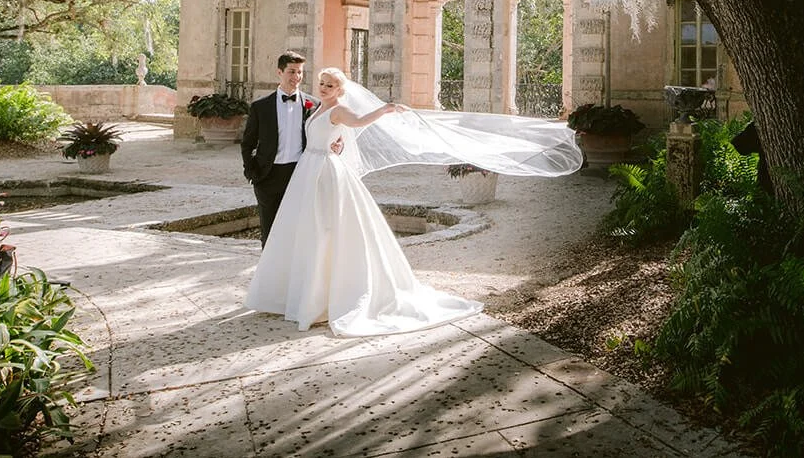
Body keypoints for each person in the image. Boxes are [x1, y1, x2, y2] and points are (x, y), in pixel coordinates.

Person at [245, 66, 582, 336]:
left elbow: (359, 124)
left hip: (326, 174)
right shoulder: (316, 107)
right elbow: (320, 136)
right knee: (304, 232)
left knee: (328, 231)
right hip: (309, 171)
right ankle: (296, 294)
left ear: (341, 89)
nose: (323, 88)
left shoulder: (342, 110)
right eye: (321, 83)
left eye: (330, 85)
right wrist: (336, 143)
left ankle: (322, 298)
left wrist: (385, 109)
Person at [241, 51, 340, 245]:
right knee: (270, 232)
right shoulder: (260, 107)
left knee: (298, 231)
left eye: (300, 72)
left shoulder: (314, 105)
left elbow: (329, 133)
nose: (297, 77)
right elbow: (248, 143)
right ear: (279, 72)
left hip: (300, 174)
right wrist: (251, 172)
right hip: (268, 177)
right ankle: (269, 266)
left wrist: (337, 145)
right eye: (292, 71)